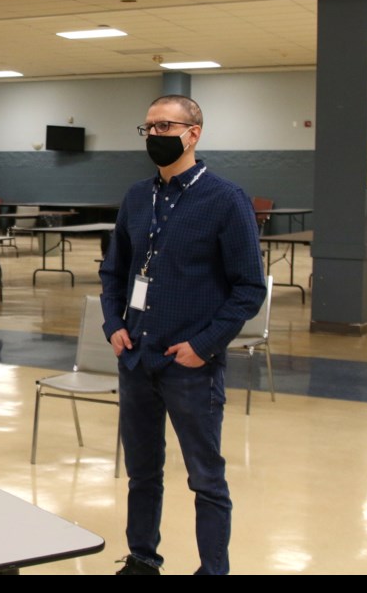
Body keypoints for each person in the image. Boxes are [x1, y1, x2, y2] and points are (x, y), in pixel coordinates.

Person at [100, 95, 265, 575]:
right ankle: (142, 557)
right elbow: (114, 272)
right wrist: (113, 326)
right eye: (148, 127)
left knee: (206, 478)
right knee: (142, 473)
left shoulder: (225, 199)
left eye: (166, 126)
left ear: (194, 133)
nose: (155, 135)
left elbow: (248, 288)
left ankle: (213, 569)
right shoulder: (136, 197)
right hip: (136, 359)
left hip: (190, 365)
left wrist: (203, 346)